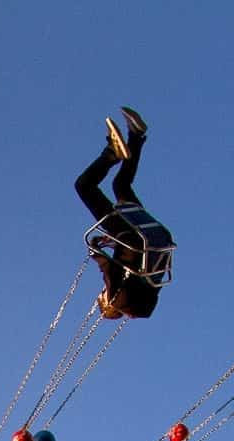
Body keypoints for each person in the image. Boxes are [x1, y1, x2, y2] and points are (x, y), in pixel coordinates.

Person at [74, 107, 172, 320]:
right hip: (134, 240)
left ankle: (136, 136)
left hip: (155, 239)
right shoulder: (118, 298)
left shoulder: (145, 296)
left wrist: (107, 241)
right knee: (84, 186)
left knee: (121, 186)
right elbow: (109, 269)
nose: (101, 294)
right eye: (101, 297)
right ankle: (112, 152)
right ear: (107, 304)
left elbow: (127, 267)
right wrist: (94, 251)